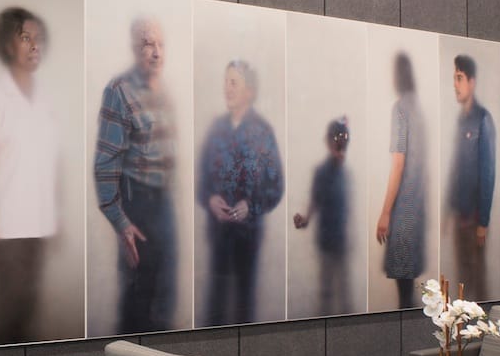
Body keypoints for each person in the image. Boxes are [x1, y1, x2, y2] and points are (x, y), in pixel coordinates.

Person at [0, 7, 59, 344]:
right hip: (8, 234)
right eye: (25, 37)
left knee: (29, 316)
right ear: (8, 45)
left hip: (38, 229)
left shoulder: (44, 99)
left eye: (38, 39)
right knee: (6, 319)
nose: (35, 45)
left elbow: (47, 164)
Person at [94, 17, 178, 334]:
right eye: (147, 44)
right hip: (138, 203)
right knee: (139, 297)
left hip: (164, 203)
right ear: (133, 48)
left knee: (165, 295)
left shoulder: (165, 91)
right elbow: (105, 163)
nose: (156, 52)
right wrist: (121, 221)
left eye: (160, 44)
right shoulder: (119, 90)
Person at [197, 60, 283, 325]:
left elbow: (275, 185)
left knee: (245, 308)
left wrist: (251, 206)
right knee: (215, 306)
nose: (227, 88)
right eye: (225, 81)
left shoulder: (263, 131)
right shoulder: (216, 129)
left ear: (249, 91)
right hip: (218, 235)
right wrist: (210, 199)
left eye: (233, 82)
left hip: (248, 236)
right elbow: (201, 179)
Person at [376, 53, 427, 309]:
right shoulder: (418, 110)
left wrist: (385, 213)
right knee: (409, 288)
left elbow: (398, 163)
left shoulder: (401, 109)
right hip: (418, 210)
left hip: (403, 209)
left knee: (404, 295)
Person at [445, 55, 496, 298]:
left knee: (478, 284)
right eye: (454, 78)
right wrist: (448, 210)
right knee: (462, 285)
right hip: (459, 217)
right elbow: (455, 168)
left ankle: (485, 333)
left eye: (459, 78)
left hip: (475, 221)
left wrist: (483, 223)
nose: (455, 84)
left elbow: (488, 173)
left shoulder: (483, 120)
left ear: (472, 82)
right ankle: (463, 337)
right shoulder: (459, 120)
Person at [293, 117, 351, 316]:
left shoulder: (346, 173)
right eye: (335, 139)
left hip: (341, 241)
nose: (339, 143)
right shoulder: (322, 172)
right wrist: (304, 219)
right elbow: (314, 201)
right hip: (327, 240)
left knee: (344, 293)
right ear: (328, 142)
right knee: (327, 292)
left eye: (343, 139)